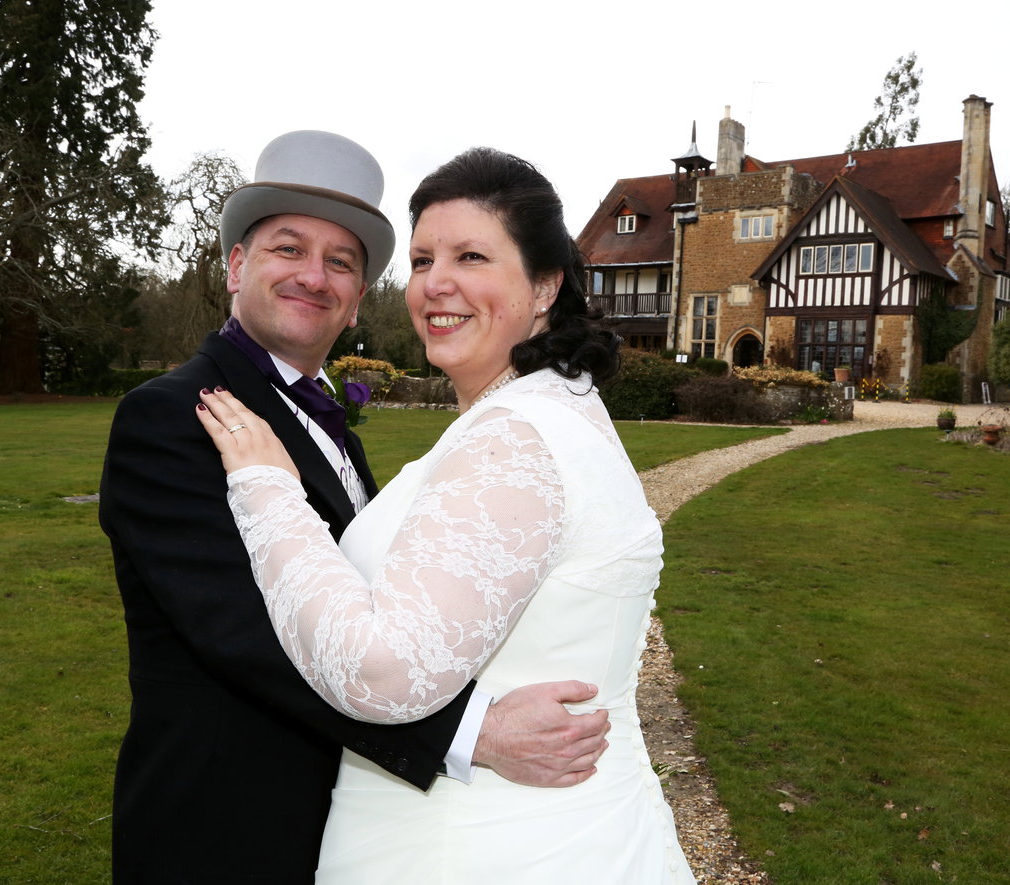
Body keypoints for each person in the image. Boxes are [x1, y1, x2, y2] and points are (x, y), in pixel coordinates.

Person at [99, 132, 611, 884]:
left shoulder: (335, 426)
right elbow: (245, 634)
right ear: (236, 266)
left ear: (356, 298)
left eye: (341, 262)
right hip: (225, 828)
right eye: (288, 248)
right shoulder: (175, 416)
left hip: (339, 823)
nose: (314, 276)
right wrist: (473, 732)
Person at [196, 147, 693, 883]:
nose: (436, 283)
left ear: (545, 285)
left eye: (471, 256)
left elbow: (381, 673)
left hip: (484, 847)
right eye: (423, 259)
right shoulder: (549, 410)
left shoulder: (514, 438)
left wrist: (269, 491)